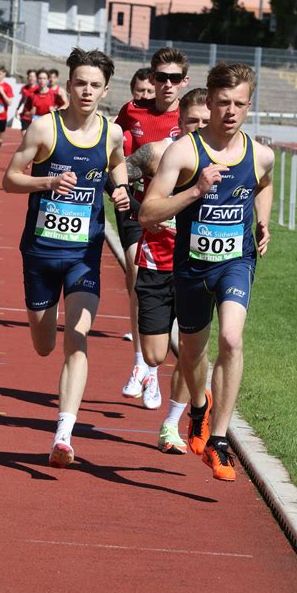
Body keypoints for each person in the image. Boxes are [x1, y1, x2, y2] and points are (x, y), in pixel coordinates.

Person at [139, 63, 274, 481]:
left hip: (236, 261)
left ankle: (218, 441)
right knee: (193, 352)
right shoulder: (184, 152)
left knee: (232, 338)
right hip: (192, 267)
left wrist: (263, 223)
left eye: (239, 104)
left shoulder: (261, 153)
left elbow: (264, 182)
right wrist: (196, 190)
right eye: (222, 103)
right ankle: (199, 408)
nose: (230, 112)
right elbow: (148, 211)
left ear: (249, 105)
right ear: (209, 101)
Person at [2, 48, 130, 469]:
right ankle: (44, 324)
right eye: (80, 83)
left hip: (83, 255)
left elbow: (117, 165)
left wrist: (121, 188)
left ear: (105, 89)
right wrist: (47, 181)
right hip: (40, 253)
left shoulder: (111, 134)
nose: (87, 91)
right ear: (68, 85)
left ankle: (63, 434)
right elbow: (11, 179)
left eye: (95, 85)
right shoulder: (44, 128)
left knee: (77, 338)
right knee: (44, 345)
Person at [126, 88, 210, 452]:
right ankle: (158, 377)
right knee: (156, 355)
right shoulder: (157, 153)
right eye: (194, 121)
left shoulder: (222, 160)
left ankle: (173, 424)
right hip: (156, 262)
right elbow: (117, 176)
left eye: (206, 122)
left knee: (191, 349)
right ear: (180, 120)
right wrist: (137, 208)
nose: (200, 127)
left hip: (195, 266)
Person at [113, 48, 189, 408]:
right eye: (162, 78)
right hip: (137, 210)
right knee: (135, 273)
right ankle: (140, 363)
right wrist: (118, 188)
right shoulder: (132, 112)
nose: (168, 84)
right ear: (152, 79)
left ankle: (152, 369)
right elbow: (116, 155)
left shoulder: (191, 116)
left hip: (176, 217)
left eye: (175, 78)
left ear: (184, 82)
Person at [16, 69, 38, 136]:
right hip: (25, 116)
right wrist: (17, 109)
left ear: (36, 78)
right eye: (30, 76)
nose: (31, 78)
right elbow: (22, 99)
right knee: (25, 135)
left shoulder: (39, 89)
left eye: (33, 76)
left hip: (36, 116)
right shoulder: (24, 88)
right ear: (28, 77)